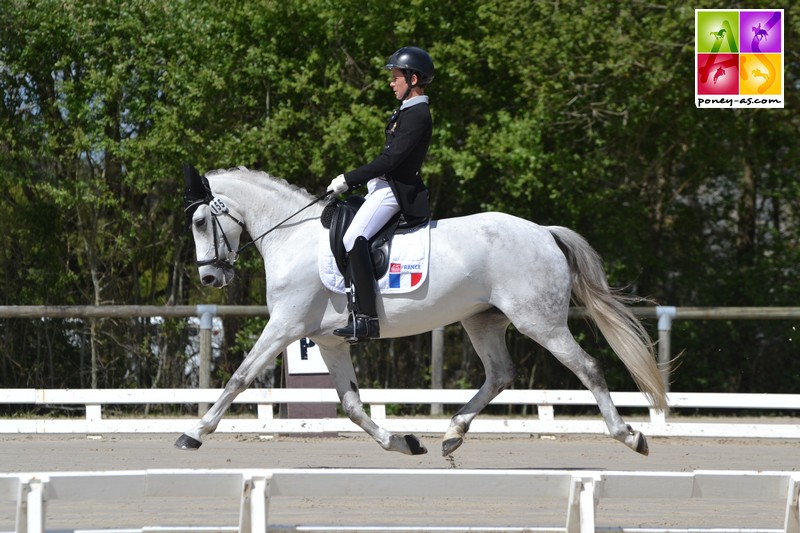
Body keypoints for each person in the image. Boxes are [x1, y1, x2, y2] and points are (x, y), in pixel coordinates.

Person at [327, 46, 434, 342]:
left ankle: (366, 319)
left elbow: (390, 161)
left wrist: (348, 179)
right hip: (383, 185)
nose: (391, 82)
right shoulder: (406, 111)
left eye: (396, 76)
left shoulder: (418, 114)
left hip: (395, 191)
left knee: (352, 239)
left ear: (413, 79)